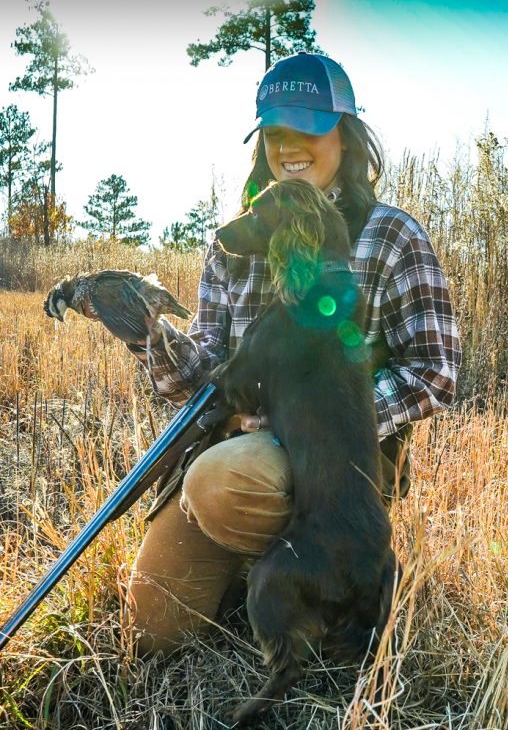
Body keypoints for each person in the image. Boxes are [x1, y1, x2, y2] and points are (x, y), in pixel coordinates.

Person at [120, 52, 462, 654]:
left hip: (336, 464)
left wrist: (316, 421)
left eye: (311, 127)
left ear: (347, 137)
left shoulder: (391, 234)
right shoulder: (233, 242)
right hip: (232, 450)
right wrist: (145, 331)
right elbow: (200, 378)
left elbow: (434, 370)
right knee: (152, 631)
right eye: (277, 132)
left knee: (224, 483)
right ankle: (266, 573)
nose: (291, 145)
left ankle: (342, 570)